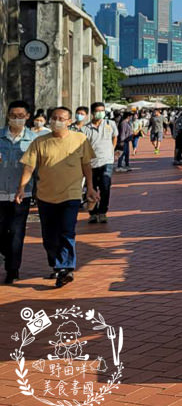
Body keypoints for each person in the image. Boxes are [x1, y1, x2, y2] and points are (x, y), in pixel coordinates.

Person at [17, 107, 98, 287]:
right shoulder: (40, 142)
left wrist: (90, 187)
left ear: (69, 121)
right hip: (45, 196)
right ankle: (57, 265)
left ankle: (66, 267)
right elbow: (29, 167)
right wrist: (22, 188)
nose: (56, 121)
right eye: (54, 118)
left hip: (71, 194)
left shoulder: (80, 139)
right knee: (49, 236)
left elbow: (86, 165)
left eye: (61, 118)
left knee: (67, 230)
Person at [0, 100, 39, 284]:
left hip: (21, 194)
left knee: (16, 232)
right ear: (8, 115)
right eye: (13, 116)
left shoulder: (34, 140)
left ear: (28, 117)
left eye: (21, 116)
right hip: (0, 193)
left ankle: (12, 269)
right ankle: (7, 255)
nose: (17, 119)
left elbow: (38, 168)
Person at [83, 102, 118, 224]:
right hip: (91, 163)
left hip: (107, 161)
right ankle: (93, 213)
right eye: (98, 111)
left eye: (102, 110)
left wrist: (111, 150)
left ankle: (102, 212)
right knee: (91, 187)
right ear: (92, 113)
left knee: (105, 186)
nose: (101, 113)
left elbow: (115, 137)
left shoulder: (110, 124)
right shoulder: (85, 129)